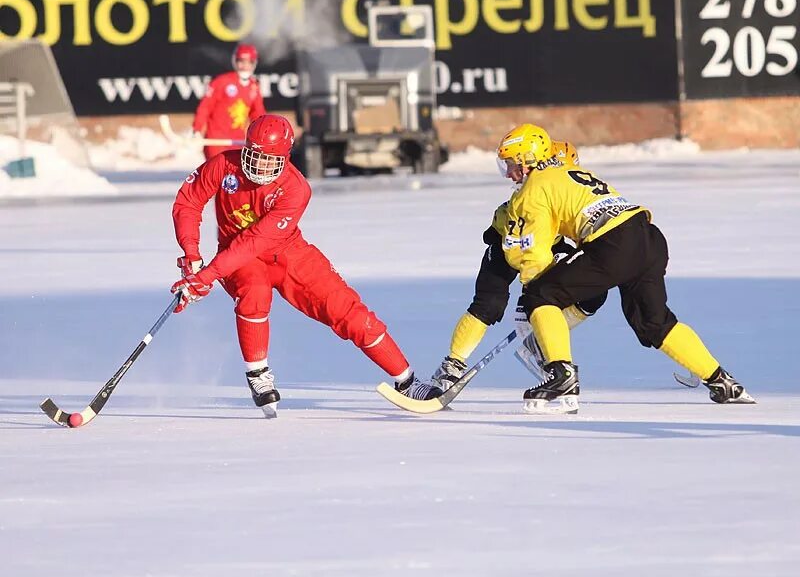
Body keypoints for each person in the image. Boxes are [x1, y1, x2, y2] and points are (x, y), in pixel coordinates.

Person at [169, 114, 441, 417]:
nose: (259, 167)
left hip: (287, 252)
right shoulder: (223, 165)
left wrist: (207, 275)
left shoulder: (296, 189)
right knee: (255, 293)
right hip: (239, 258)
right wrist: (191, 254)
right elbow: (188, 202)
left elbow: (257, 240)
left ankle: (407, 381)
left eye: (269, 161)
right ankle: (258, 374)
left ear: (285, 159)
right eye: (254, 156)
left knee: (348, 312)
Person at [496, 123, 755, 414]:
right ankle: (722, 381)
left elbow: (534, 251)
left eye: (510, 164)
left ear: (527, 160)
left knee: (542, 295)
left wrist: (530, 298)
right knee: (654, 323)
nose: (508, 173)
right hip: (649, 238)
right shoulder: (569, 171)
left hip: (613, 245)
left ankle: (562, 375)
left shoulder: (532, 189)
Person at [431, 141, 608, 391]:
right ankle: (452, 364)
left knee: (593, 292)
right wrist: (533, 286)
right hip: (510, 243)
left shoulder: (562, 183)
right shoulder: (535, 186)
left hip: (547, 242)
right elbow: (519, 247)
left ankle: (538, 340)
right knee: (488, 305)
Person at [192, 43, 266, 161]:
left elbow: (258, 113)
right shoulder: (221, 82)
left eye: (249, 62)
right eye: (241, 61)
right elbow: (205, 107)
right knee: (218, 175)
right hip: (216, 141)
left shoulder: (254, 86)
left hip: (238, 142)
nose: (245, 66)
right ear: (235, 62)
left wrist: (263, 132)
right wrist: (197, 129)